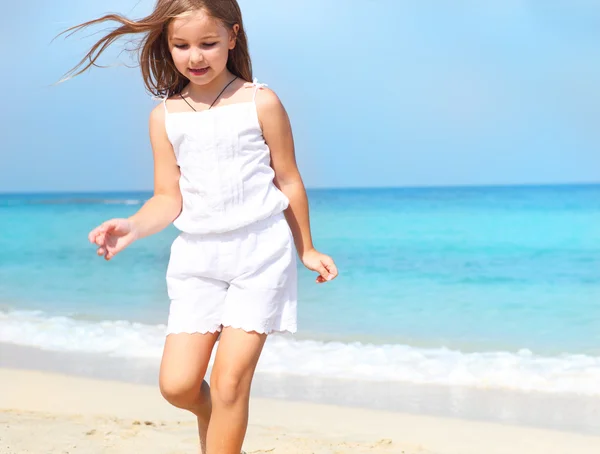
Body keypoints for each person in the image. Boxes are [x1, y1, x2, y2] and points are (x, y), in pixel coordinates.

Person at [61, 0, 338, 453]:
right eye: (182, 45)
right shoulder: (164, 117)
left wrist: (305, 248)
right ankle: (218, 424)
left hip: (260, 253)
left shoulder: (260, 101)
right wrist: (132, 226)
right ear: (167, 47)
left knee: (229, 384)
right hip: (197, 258)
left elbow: (288, 178)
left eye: (208, 44)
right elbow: (168, 197)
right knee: (178, 386)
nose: (196, 57)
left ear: (232, 37)